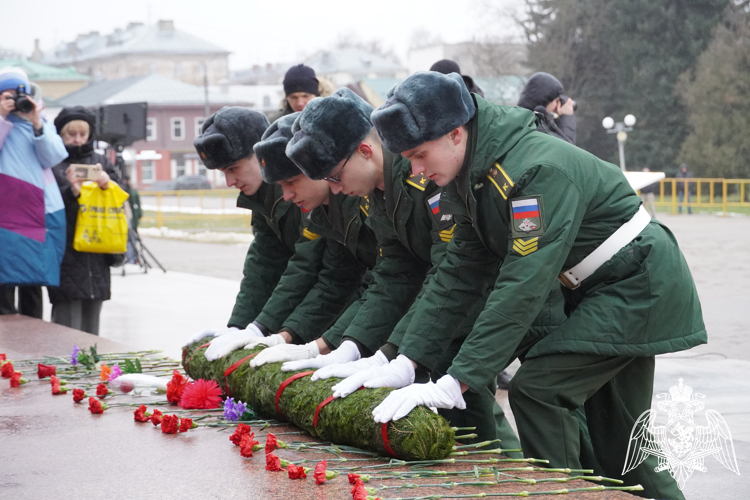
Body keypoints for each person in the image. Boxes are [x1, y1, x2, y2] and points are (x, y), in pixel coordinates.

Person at [359, 71, 704, 500]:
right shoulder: (472, 177)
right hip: (602, 288)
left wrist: (457, 380)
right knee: (623, 446)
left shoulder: (533, 168)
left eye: (419, 154)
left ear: (455, 133)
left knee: (540, 391)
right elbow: (459, 273)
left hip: (637, 284)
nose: (416, 170)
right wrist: (406, 359)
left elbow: (523, 283)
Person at [251, 88, 533, 451]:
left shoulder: (424, 178)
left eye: (335, 176)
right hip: (445, 316)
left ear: (366, 152)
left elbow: (452, 269)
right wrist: (349, 347)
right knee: (464, 427)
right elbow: (394, 274)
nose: (334, 190)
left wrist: (396, 354)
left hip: (479, 309)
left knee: (497, 415)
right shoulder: (377, 193)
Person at [186, 107, 359, 361]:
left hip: (338, 316)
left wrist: (266, 329)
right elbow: (263, 262)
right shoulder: (263, 195)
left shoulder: (306, 190)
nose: (229, 182)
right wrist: (240, 325)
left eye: (233, 168)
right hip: (320, 316)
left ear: (258, 154)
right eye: (223, 172)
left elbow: (307, 267)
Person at [48, 106, 123, 335]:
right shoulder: (54, 163)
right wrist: (72, 192)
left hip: (98, 250)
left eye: (82, 134)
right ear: (60, 135)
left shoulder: (101, 162)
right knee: (66, 322)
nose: (78, 140)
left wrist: (106, 183)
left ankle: (89, 369)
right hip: (67, 250)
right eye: (71, 134)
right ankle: (63, 367)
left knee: (92, 324)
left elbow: (122, 195)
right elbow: (50, 206)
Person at [0, 67, 67, 318]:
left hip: (40, 213)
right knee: (4, 281)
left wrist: (36, 123)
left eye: (19, 95)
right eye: (7, 95)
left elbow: (55, 156)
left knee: (33, 281)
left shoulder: (40, 120)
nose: (14, 101)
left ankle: (34, 346)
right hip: (5, 216)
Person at [517, 72, 576, 145]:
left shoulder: (520, 120)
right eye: (556, 101)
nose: (556, 105)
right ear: (545, 100)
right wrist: (567, 116)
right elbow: (567, 149)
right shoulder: (535, 128)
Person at [268, 64, 335, 122]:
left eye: (305, 96)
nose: (300, 103)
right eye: (294, 97)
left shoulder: (332, 120)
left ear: (317, 95)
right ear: (286, 98)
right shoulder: (274, 125)